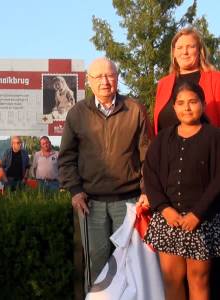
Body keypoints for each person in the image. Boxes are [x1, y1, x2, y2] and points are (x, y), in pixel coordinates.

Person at [58, 57, 151, 287]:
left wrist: (146, 190)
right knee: (97, 265)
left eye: (109, 75)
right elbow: (67, 157)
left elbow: (148, 156)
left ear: (117, 78)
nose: (105, 81)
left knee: (130, 263)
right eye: (98, 76)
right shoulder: (77, 113)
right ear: (88, 81)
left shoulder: (135, 110)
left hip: (129, 202)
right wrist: (75, 190)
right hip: (91, 203)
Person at [143, 82, 220, 300]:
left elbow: (218, 181)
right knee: (171, 279)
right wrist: (164, 209)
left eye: (193, 102)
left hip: (202, 221)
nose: (187, 108)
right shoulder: (162, 139)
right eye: (181, 103)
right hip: (169, 220)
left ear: (203, 105)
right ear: (174, 108)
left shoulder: (214, 137)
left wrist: (198, 213)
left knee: (199, 279)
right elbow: (150, 175)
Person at [154, 27, 220, 135]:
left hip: (206, 150)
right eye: (179, 48)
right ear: (174, 53)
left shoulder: (216, 80)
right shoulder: (163, 84)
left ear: (199, 50)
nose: (184, 52)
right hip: (168, 150)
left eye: (190, 47)